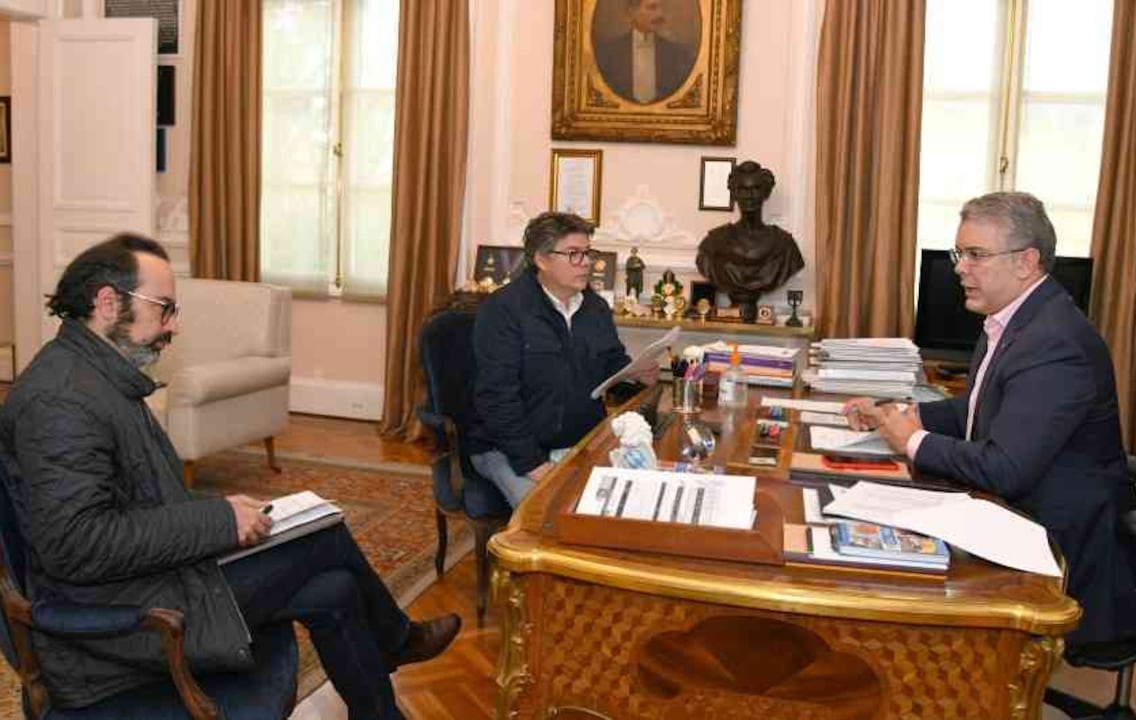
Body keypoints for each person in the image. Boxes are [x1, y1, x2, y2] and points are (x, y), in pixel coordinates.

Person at [0, 234, 459, 718]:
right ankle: (398, 640)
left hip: (147, 580)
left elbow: (140, 498)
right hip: (118, 623)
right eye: (164, 308)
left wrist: (224, 512)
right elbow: (78, 545)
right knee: (322, 538)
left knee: (336, 587)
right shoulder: (60, 400)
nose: (174, 325)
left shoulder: (97, 377)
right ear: (108, 303)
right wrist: (219, 521)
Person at [846, 192, 1136, 644]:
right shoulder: (1012, 318)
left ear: (1026, 262)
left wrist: (913, 441)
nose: (960, 268)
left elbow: (1006, 468)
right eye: (959, 254)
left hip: (1055, 543)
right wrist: (897, 414)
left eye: (976, 255)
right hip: (1015, 513)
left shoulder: (1055, 342)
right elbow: (976, 409)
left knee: (897, 576)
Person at [469, 212, 660, 507]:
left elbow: (610, 363)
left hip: (579, 441)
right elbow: (496, 398)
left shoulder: (595, 307)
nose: (586, 262)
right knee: (547, 513)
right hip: (508, 447)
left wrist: (635, 374)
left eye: (588, 253)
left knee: (628, 499)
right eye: (573, 254)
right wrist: (533, 464)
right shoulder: (504, 310)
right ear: (541, 260)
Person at [696, 161, 805, 320]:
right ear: (734, 193)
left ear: (766, 193)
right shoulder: (713, 243)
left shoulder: (784, 245)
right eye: (743, 189)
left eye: (756, 189)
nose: (749, 196)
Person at [594, 0, 695, 104]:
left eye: (660, 8)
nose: (659, 14)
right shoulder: (609, 53)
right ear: (632, 12)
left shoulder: (677, 54)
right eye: (652, 7)